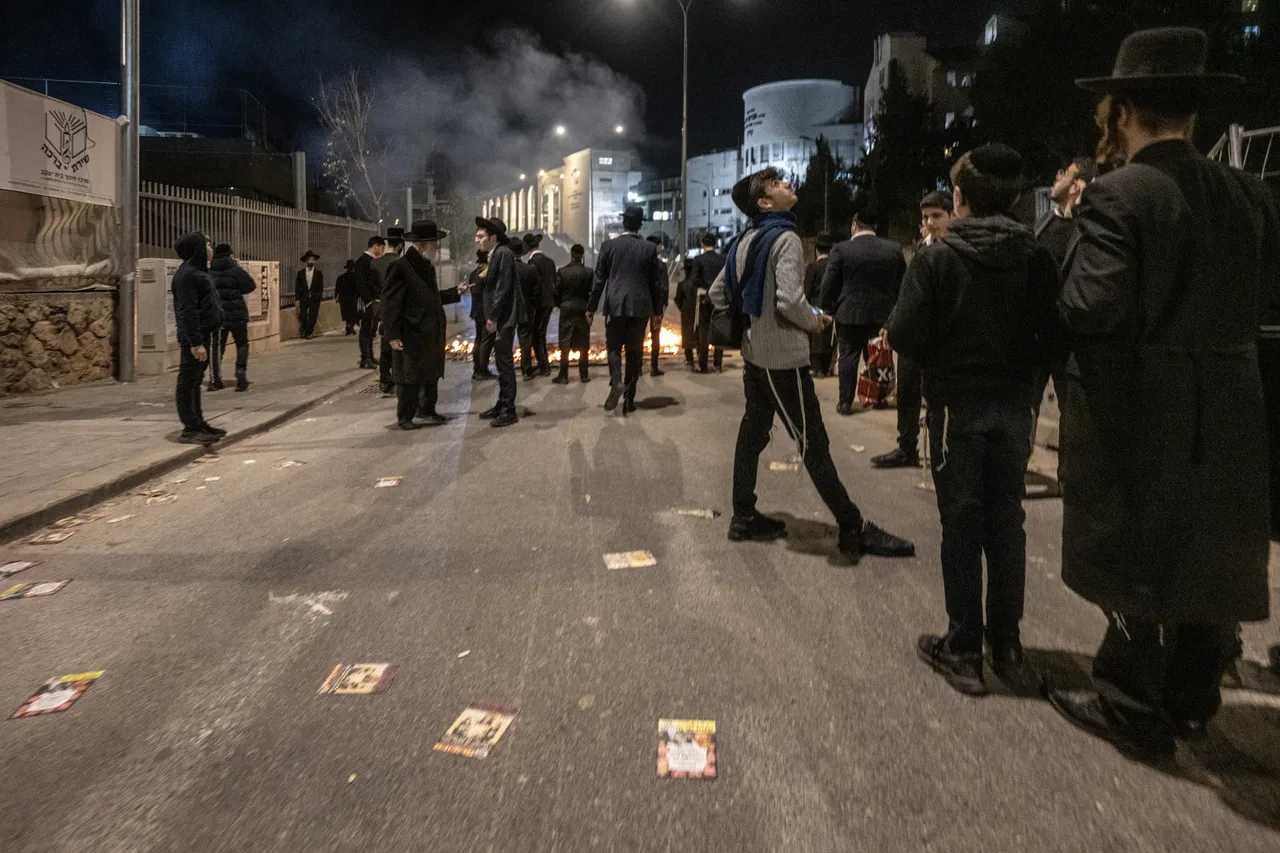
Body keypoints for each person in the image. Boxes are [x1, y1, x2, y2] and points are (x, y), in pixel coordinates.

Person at [1046, 27, 1279, 759]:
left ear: (1120, 113)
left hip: (1142, 406)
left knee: (1136, 553)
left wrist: (1066, 245)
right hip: (1233, 400)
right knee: (1211, 548)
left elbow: (1090, 306)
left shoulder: (1121, 193)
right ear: (1194, 112)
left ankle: (1129, 701)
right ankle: (1192, 698)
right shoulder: (1249, 192)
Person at [885, 144, 1062, 696]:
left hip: (955, 406)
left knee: (961, 524)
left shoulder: (938, 259)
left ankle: (964, 649)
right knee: (1006, 522)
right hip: (1013, 407)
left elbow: (904, 334)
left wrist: (943, 355)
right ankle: (1007, 648)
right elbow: (1055, 336)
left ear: (959, 197)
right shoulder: (1035, 258)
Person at [708, 167, 914, 562]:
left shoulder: (744, 239)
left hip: (756, 358)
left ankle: (743, 516)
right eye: (777, 184)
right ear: (765, 202)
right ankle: (852, 526)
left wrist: (752, 322)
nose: (787, 184)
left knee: (752, 434)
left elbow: (719, 293)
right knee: (813, 443)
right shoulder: (784, 238)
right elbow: (789, 300)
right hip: (782, 360)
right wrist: (814, 321)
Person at [872, 192, 953, 469]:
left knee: (939, 400)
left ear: (952, 215)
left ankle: (943, 454)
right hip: (913, 337)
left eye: (936, 216)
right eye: (925, 217)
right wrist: (891, 324)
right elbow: (907, 293)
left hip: (941, 339)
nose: (929, 223)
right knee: (907, 393)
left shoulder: (957, 249)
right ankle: (906, 447)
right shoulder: (920, 248)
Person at [819, 210, 907, 416]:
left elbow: (828, 284)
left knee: (848, 357)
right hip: (882, 316)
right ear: (874, 227)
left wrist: (827, 307)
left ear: (854, 225)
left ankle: (845, 402)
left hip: (848, 314)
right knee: (876, 356)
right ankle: (878, 398)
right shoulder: (893, 249)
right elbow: (902, 284)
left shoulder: (841, 249)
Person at [587, 205, 665, 415]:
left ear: (623, 223)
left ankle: (616, 382)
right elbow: (655, 284)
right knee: (634, 352)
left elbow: (599, 280)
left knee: (613, 347)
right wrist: (657, 312)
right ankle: (629, 400)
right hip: (640, 308)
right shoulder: (649, 249)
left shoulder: (608, 246)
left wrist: (591, 307)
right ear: (640, 225)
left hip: (616, 305)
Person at [383, 219, 452, 430]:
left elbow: (430, 298)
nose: (437, 248)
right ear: (422, 246)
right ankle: (405, 417)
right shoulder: (401, 267)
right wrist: (393, 335)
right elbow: (391, 303)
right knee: (409, 378)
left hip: (429, 333)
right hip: (410, 333)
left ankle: (426, 410)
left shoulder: (426, 266)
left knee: (430, 374)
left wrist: (454, 293)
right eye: (434, 244)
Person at [171, 232, 226, 444]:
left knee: (196, 381)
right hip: (194, 337)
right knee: (188, 381)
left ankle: (199, 423)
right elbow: (188, 311)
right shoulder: (187, 275)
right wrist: (195, 342)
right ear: (198, 249)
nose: (211, 248)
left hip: (203, 333)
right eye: (207, 244)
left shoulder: (198, 272)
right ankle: (190, 428)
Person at [476, 216, 522, 428]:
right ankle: (502, 404)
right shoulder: (497, 254)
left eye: (481, 236)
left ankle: (508, 410)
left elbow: (502, 289)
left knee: (505, 364)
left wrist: (493, 317)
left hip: (503, 319)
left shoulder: (503, 253)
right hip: (500, 318)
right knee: (501, 362)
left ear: (493, 237)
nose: (477, 240)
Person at [207, 243, 257, 393]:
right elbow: (250, 286)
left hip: (219, 315)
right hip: (237, 314)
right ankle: (240, 371)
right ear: (230, 255)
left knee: (217, 347)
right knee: (242, 343)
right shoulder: (236, 270)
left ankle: (216, 380)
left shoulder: (209, 272)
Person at [1035, 158, 1098, 269]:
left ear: (1075, 187)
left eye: (1064, 173)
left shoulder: (1088, 232)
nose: (1058, 177)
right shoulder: (1043, 220)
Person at [553, 243, 593, 384]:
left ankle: (563, 375)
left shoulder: (562, 271)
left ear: (571, 255)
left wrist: (561, 304)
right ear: (582, 256)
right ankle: (584, 374)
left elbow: (556, 292)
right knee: (583, 342)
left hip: (567, 308)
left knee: (565, 342)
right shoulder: (588, 272)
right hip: (582, 308)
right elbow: (592, 292)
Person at [691, 232, 727, 373]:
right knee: (719, 330)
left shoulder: (698, 259)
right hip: (719, 298)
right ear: (715, 244)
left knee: (704, 331)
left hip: (704, 297)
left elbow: (694, 279)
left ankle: (703, 364)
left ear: (702, 244)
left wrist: (707, 286)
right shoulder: (723, 259)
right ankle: (718, 364)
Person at [374, 229, 404, 395]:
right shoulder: (402, 264)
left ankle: (384, 381)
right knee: (397, 349)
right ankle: (397, 379)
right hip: (398, 310)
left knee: (384, 348)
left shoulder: (375, 263)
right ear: (400, 245)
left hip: (381, 309)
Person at [803, 234, 836, 377]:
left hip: (815, 308)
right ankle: (826, 368)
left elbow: (807, 290)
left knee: (815, 337)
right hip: (831, 308)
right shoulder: (834, 266)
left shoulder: (813, 267)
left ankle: (814, 368)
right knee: (828, 339)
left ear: (816, 250)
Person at [508, 236, 541, 380]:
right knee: (525, 341)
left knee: (507, 341)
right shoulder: (529, 269)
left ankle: (507, 369)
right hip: (526, 309)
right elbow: (536, 291)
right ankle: (527, 370)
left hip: (508, 311)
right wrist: (532, 305)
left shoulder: (505, 269)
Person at [525, 233, 557, 376]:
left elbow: (534, 286)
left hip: (538, 304)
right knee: (541, 333)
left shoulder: (532, 263)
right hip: (549, 302)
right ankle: (545, 363)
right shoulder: (550, 261)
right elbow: (554, 281)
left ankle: (543, 366)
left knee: (536, 335)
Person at [353, 235, 387, 370]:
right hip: (367, 301)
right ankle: (365, 358)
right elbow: (361, 283)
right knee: (366, 330)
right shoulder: (363, 261)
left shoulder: (372, 261)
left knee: (371, 330)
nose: (383, 251)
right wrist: (367, 301)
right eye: (382, 248)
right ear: (376, 246)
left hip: (374, 300)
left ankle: (370, 356)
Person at [467, 248, 495, 380]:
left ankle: (477, 368)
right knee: (486, 340)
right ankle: (482, 370)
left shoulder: (473, 273)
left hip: (476, 311)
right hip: (486, 312)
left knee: (478, 340)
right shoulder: (487, 273)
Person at [646, 235, 671, 377]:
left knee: (638, 335)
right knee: (655, 336)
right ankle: (654, 367)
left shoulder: (641, 263)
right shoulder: (661, 265)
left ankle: (637, 367)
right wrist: (664, 303)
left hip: (642, 303)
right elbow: (664, 287)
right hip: (656, 305)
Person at [294, 251, 323, 339]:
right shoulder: (300, 273)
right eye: (310, 259)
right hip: (304, 297)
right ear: (306, 260)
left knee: (313, 316)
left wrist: (319, 297)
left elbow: (321, 286)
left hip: (315, 297)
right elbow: (297, 286)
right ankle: (304, 329)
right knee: (303, 315)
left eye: (313, 259)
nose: (311, 261)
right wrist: (297, 299)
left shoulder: (318, 273)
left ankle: (309, 332)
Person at [676, 255, 698, 368]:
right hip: (697, 311)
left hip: (686, 312)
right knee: (699, 333)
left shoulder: (681, 285)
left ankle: (689, 359)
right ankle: (701, 356)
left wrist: (683, 308)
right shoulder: (698, 284)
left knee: (686, 334)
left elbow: (677, 300)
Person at [335, 259, 359, 336]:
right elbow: (358, 288)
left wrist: (336, 297)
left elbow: (337, 289)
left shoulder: (340, 277)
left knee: (347, 314)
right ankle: (350, 326)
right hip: (353, 298)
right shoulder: (356, 277)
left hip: (343, 298)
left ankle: (349, 329)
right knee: (354, 314)